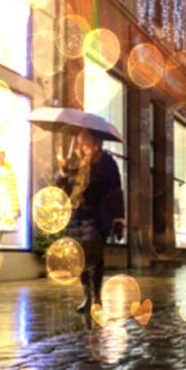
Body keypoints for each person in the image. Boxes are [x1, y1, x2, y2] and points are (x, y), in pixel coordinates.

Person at [57, 129, 124, 315]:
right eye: (82, 142)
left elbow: (116, 191)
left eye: (88, 142)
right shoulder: (74, 161)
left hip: (96, 214)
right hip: (75, 214)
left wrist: (119, 220)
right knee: (78, 257)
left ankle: (97, 297)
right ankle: (87, 296)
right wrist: (63, 171)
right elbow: (58, 186)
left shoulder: (106, 162)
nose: (85, 145)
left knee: (94, 255)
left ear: (97, 143)